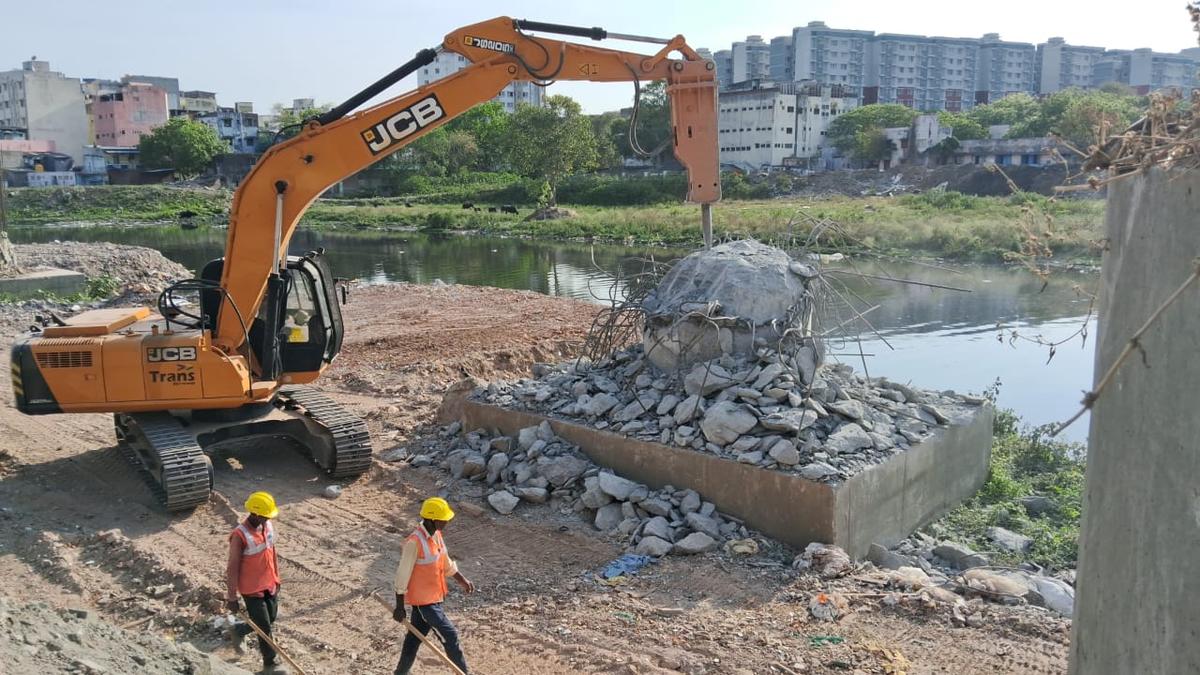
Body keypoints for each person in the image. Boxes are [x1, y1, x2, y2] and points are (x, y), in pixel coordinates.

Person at [392, 497, 475, 675]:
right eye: (443, 518)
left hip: (434, 598)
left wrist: (462, 580)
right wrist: (399, 607)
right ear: (431, 519)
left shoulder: (436, 535)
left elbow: (444, 562)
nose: (446, 521)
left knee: (413, 640)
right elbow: (402, 575)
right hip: (424, 603)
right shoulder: (414, 542)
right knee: (450, 635)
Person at [226, 491, 285, 673]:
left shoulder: (267, 526)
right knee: (264, 627)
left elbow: (272, 551)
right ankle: (270, 664)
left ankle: (239, 630)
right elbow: (232, 568)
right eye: (266, 515)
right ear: (256, 514)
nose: (268, 518)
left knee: (271, 617)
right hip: (251, 589)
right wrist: (232, 598)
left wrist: (277, 577)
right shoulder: (240, 535)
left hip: (269, 583)